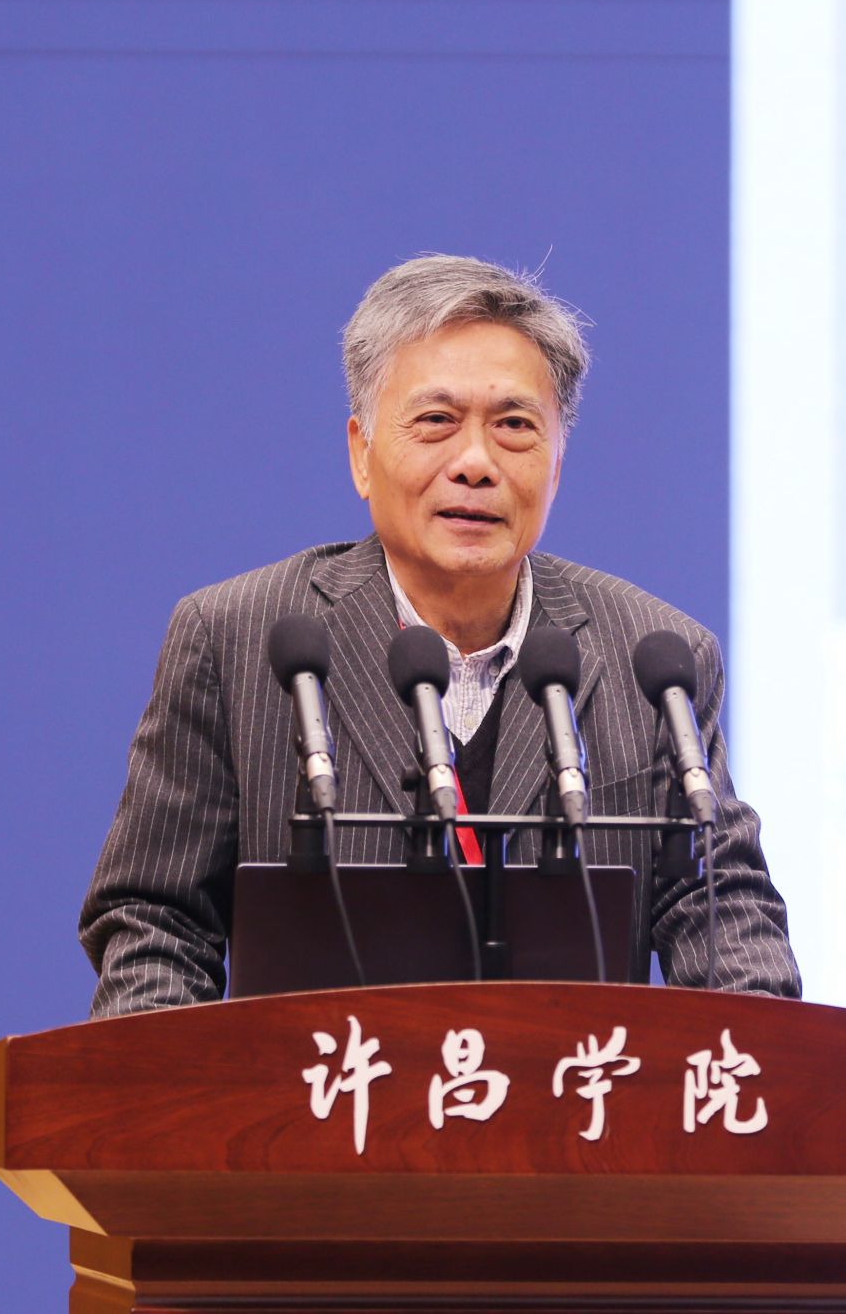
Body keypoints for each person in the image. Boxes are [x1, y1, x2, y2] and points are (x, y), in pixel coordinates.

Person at [79, 254, 800, 1013]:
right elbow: (154, 920)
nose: (475, 464)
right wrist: (189, 1080)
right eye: (435, 422)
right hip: (326, 1083)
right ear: (361, 453)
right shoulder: (236, 641)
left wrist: (762, 1054)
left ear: (557, 461)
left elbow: (723, 916)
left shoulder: (654, 658)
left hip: (571, 1084)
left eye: (514, 426)